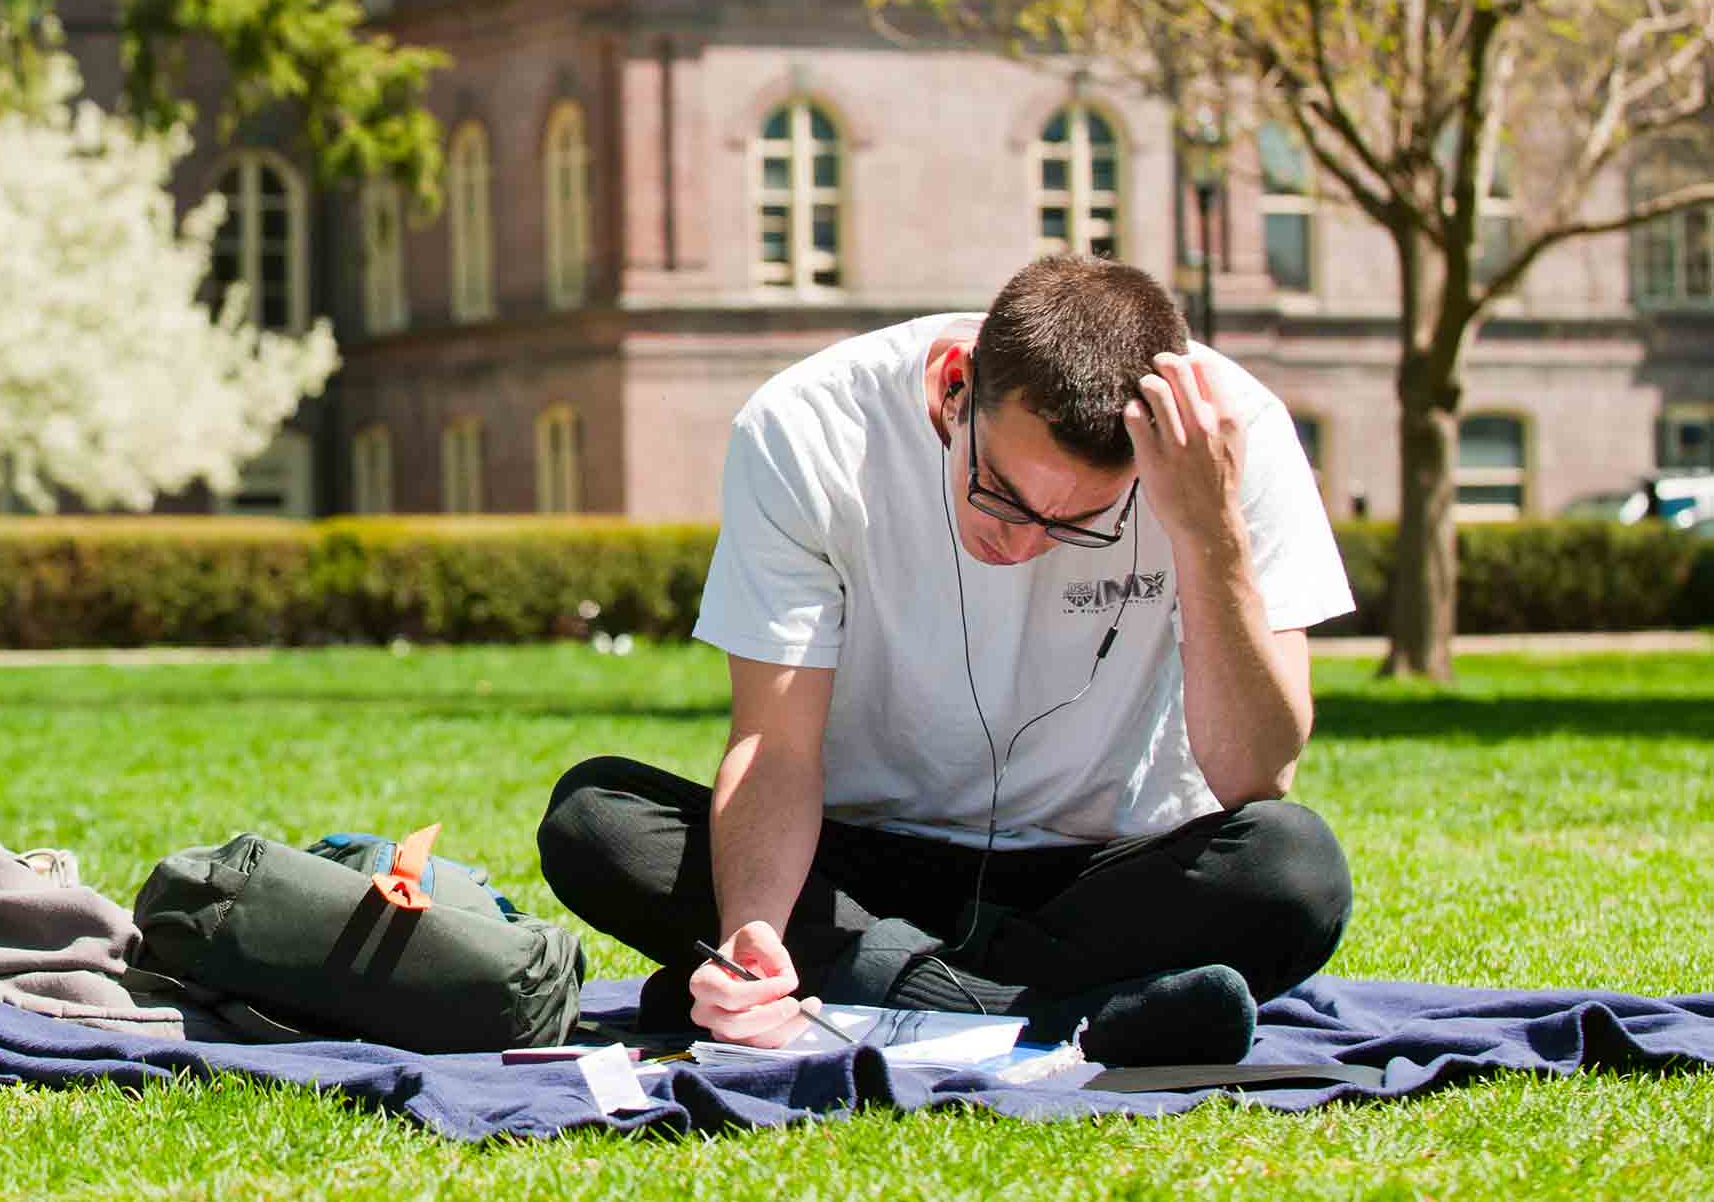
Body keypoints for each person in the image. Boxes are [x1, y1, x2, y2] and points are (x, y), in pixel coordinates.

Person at [537, 255, 1356, 1066]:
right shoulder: (806, 427)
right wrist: (755, 931)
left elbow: (1257, 774)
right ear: (955, 386)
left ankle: (877, 991)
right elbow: (776, 746)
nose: (1023, 543)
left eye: (1082, 521)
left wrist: (1208, 533)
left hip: (1101, 873)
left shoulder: (1224, 439)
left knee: (1294, 869)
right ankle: (1058, 1013)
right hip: (865, 857)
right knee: (595, 819)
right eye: (999, 490)